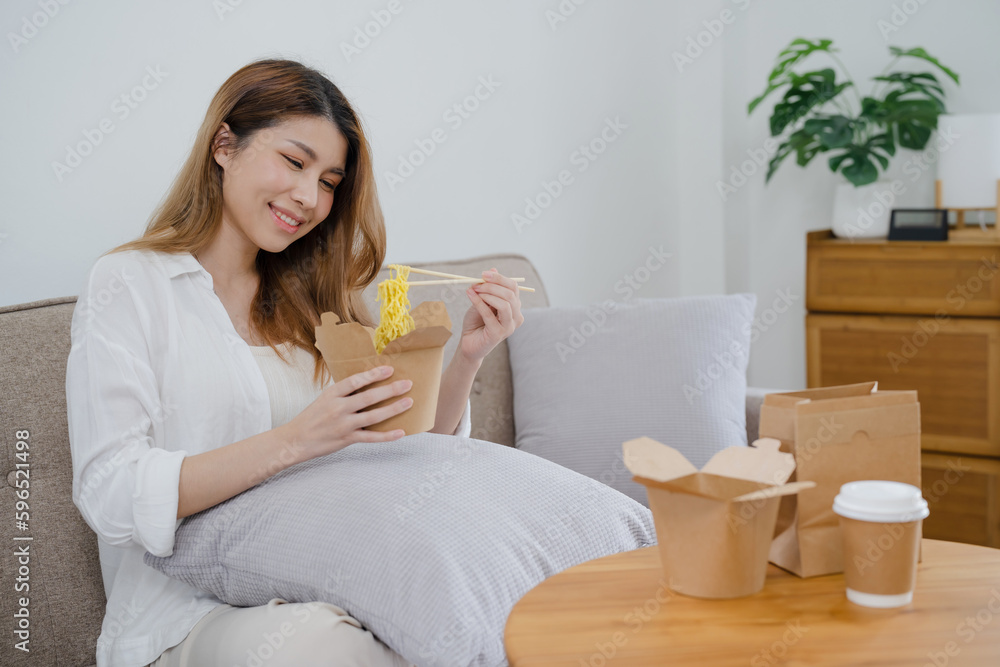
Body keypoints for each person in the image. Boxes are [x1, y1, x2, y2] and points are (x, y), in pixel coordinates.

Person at [66, 58, 524, 667]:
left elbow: (402, 451)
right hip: (184, 618)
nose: (309, 198)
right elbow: (110, 492)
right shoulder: (129, 283)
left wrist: (467, 358)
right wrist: (297, 440)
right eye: (294, 161)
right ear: (224, 144)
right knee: (331, 648)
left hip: (327, 580)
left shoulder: (319, 303)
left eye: (331, 181)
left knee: (468, 616)